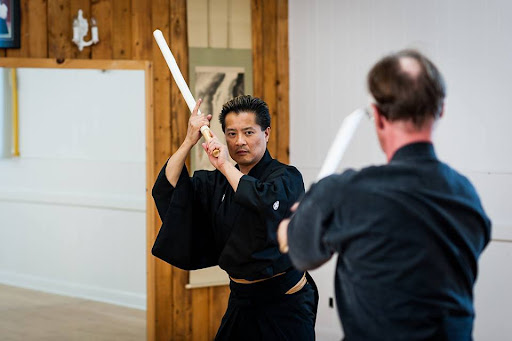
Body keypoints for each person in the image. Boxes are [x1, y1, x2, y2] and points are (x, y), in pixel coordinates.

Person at [278, 50, 491, 340]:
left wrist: (295, 221)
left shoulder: (346, 193)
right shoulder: (467, 195)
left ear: (377, 117)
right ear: (440, 111)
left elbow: (300, 253)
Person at [152, 95, 317, 340]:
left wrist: (225, 165)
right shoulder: (216, 183)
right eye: (231, 134)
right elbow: (170, 187)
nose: (240, 141)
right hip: (242, 299)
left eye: (249, 132)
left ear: (266, 133)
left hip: (284, 302)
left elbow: (263, 202)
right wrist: (188, 141)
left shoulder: (286, 177)